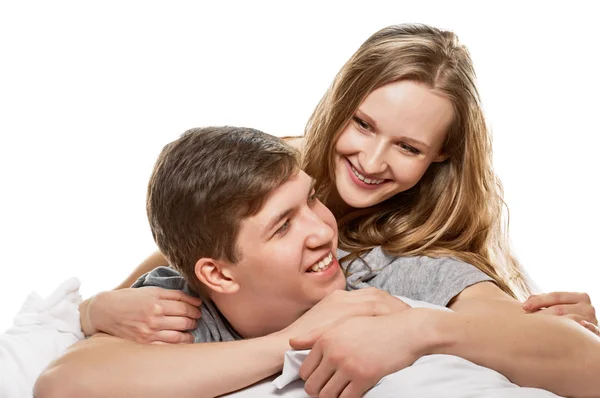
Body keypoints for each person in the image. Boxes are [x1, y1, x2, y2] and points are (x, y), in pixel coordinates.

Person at [35, 127, 600, 398]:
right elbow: (63, 386)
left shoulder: (399, 272)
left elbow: (588, 367)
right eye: (284, 225)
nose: (321, 229)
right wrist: (93, 308)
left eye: (311, 199)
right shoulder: (177, 304)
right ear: (217, 276)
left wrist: (422, 327)